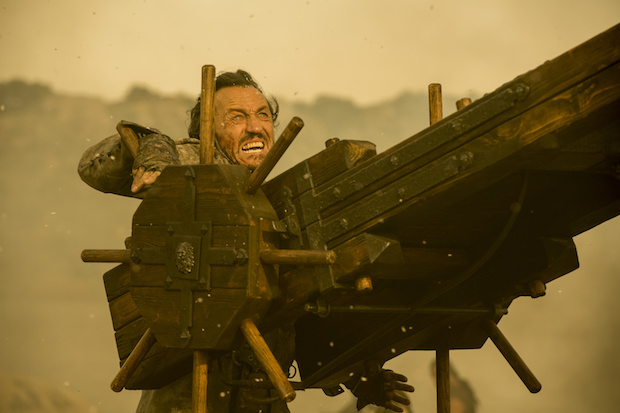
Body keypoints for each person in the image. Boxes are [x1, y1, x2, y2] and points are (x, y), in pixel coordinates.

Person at [78, 69, 414, 412]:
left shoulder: (282, 204)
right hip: (187, 401)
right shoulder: (195, 172)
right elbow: (91, 167)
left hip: (265, 402)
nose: (255, 127)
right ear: (208, 133)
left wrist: (356, 373)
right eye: (237, 117)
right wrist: (149, 145)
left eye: (263, 115)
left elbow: (299, 307)